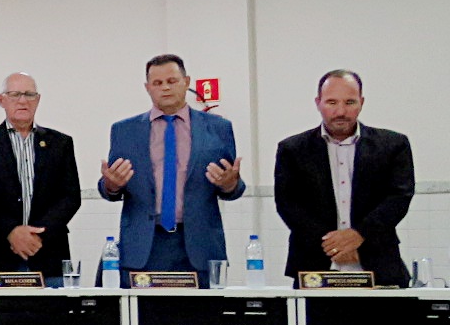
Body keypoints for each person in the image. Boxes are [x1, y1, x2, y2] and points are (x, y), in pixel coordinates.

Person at [99, 54, 244, 285]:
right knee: (142, 319)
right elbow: (109, 187)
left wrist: (230, 184)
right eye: (157, 83)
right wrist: (111, 185)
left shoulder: (218, 128)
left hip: (199, 245)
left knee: (203, 318)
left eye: (172, 81)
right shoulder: (124, 131)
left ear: (186, 82)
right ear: (147, 88)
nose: (165, 88)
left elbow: (233, 186)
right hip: (144, 246)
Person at [273, 70, 414, 287]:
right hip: (314, 266)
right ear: (318, 103)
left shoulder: (393, 145)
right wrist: (335, 246)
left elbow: (399, 197)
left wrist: (359, 236)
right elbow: (288, 203)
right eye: (331, 102)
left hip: (379, 264)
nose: (341, 111)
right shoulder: (292, 149)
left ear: (362, 102)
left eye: (349, 102)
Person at [0, 73, 82, 285]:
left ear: (38, 99)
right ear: (1, 100)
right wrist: (11, 231)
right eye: (15, 94)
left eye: (29, 94)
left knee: (50, 316)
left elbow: (70, 197)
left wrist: (36, 235)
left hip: (48, 252)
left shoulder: (60, 143)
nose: (23, 101)